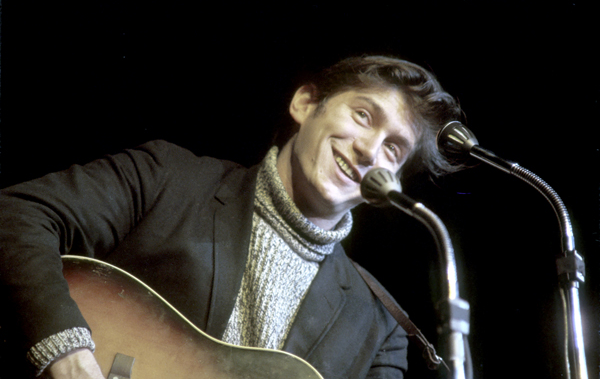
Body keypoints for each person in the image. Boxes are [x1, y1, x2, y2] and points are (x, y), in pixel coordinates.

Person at [0, 55, 464, 378]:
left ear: (393, 185)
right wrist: (65, 349)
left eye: (392, 148)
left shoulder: (381, 331)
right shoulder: (168, 177)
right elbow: (16, 212)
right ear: (305, 104)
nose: (368, 150)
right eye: (363, 115)